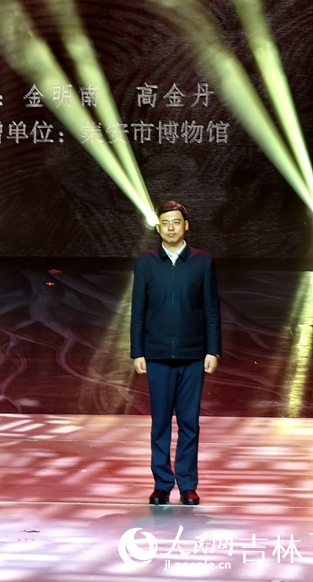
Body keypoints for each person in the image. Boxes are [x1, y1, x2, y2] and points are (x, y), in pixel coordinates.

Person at [130, 200, 221, 506]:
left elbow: (211, 310)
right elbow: (138, 312)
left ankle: (187, 485)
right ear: (158, 227)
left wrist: (213, 350)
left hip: (193, 355)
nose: (170, 228)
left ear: (186, 226)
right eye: (165, 223)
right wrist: (137, 351)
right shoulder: (145, 263)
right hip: (156, 356)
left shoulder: (202, 262)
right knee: (159, 423)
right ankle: (161, 485)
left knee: (189, 423)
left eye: (176, 222)